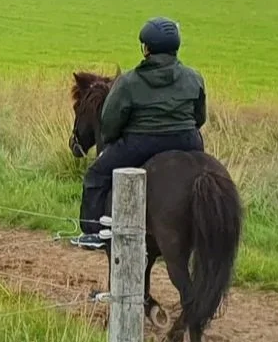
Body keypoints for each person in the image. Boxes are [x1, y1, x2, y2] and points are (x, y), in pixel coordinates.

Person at [70, 18, 206, 250]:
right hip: (188, 141)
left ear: (146, 49)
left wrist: (113, 141)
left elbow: (110, 123)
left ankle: (93, 232)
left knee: (95, 175)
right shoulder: (194, 77)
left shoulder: (128, 82)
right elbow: (200, 117)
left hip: (141, 142)